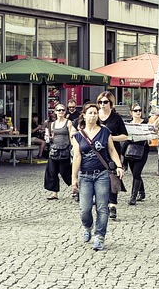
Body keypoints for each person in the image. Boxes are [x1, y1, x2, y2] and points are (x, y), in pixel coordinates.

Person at [71, 101, 124, 252]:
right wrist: (74, 178)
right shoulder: (78, 136)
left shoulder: (105, 131)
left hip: (102, 174)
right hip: (85, 175)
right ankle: (87, 226)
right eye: (90, 113)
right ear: (84, 115)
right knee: (85, 208)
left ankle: (100, 236)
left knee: (102, 208)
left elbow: (112, 150)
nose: (93, 115)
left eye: (95, 113)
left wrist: (119, 166)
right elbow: (76, 157)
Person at [96, 92, 128, 220]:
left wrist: (110, 138)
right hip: (97, 152)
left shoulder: (116, 118)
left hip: (113, 151)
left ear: (111, 103)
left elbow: (125, 135)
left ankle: (112, 205)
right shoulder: (94, 116)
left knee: (113, 178)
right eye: (100, 102)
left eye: (105, 102)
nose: (102, 105)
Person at [43, 102, 76, 200]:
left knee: (65, 172)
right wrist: (48, 137)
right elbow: (53, 136)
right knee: (52, 171)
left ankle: (75, 188)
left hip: (65, 150)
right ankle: (54, 193)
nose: (61, 112)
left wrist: (73, 147)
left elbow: (71, 136)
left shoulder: (68, 122)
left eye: (63, 110)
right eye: (59, 110)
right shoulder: (53, 124)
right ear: (55, 112)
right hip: (54, 150)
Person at [123, 103, 154, 205]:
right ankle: (142, 192)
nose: (138, 112)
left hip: (142, 150)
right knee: (135, 173)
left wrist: (149, 137)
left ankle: (133, 196)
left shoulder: (145, 122)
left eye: (139, 110)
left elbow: (151, 135)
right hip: (131, 150)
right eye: (135, 110)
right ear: (131, 113)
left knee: (136, 172)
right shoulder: (128, 124)